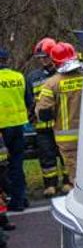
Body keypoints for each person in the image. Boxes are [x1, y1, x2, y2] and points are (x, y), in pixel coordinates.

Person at [25, 37, 72, 196]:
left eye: (46, 57)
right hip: (42, 127)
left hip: (61, 124)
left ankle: (68, 182)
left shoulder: (63, 74)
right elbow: (29, 100)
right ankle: (50, 185)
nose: (43, 60)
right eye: (40, 58)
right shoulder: (32, 77)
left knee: (65, 155)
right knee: (46, 157)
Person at [35, 43, 83, 190]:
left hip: (67, 138)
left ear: (55, 62)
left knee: (76, 175)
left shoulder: (52, 84)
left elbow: (43, 114)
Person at [0, 47, 35, 213]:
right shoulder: (19, 77)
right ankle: (19, 200)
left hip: (1, 129)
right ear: (6, 60)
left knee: (2, 167)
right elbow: (29, 101)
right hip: (18, 127)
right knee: (16, 164)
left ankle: (6, 200)